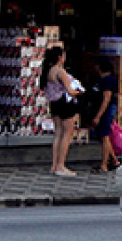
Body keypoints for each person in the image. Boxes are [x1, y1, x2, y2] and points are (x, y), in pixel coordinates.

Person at [43, 45, 79, 177]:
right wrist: (78, 92)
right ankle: (61, 165)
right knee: (67, 134)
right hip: (65, 103)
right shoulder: (60, 71)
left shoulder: (49, 71)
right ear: (60, 57)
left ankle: (54, 165)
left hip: (55, 104)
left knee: (58, 133)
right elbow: (69, 90)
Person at [88, 56, 119, 172]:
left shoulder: (107, 80)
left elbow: (106, 99)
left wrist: (98, 116)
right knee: (103, 136)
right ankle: (114, 160)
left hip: (105, 111)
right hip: (103, 110)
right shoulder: (102, 79)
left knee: (105, 136)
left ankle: (104, 165)